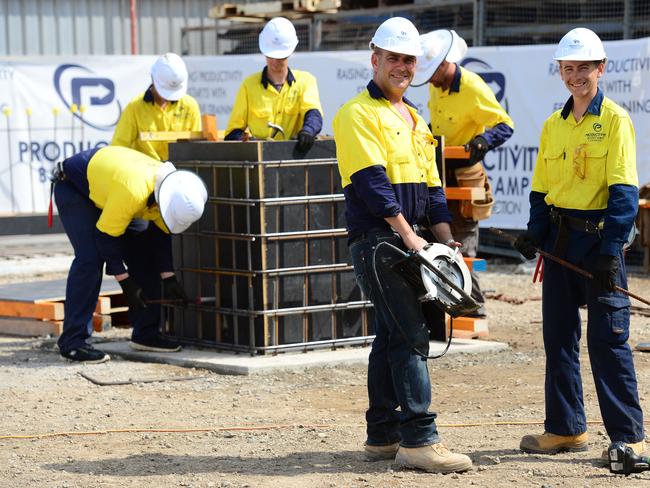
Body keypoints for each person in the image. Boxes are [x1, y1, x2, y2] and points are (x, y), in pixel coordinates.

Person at [332, 17, 472, 474]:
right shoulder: (357, 114)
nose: (402, 67)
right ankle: (418, 438)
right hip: (378, 241)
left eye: (409, 59)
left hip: (409, 241)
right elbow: (373, 184)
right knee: (411, 333)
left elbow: (433, 189)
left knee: (392, 333)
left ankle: (381, 434)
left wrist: (447, 245)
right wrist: (411, 237)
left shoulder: (415, 117)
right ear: (375, 59)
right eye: (393, 58)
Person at [513, 28, 646, 459]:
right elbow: (540, 191)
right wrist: (534, 234)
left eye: (583, 68)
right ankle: (566, 428)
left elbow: (624, 192)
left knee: (607, 340)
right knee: (559, 338)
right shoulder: (554, 125)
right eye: (568, 69)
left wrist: (611, 252)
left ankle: (629, 436)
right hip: (559, 242)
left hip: (598, 243)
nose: (575, 76)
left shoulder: (616, 121)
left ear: (600, 69)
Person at [52, 145, 207, 363]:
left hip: (111, 191)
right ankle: (73, 343)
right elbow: (105, 238)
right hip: (75, 188)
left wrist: (168, 277)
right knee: (90, 258)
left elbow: (160, 239)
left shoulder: (170, 190)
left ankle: (146, 333)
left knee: (145, 253)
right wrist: (125, 282)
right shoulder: (133, 192)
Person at [412, 29, 514, 318]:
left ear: (445, 64)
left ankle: (474, 303)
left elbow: (505, 125)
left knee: (466, 247)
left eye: (432, 72)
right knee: (439, 239)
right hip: (440, 172)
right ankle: (451, 301)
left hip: (466, 175)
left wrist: (482, 142)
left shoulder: (472, 86)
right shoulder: (436, 86)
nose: (429, 79)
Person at [225, 17, 323, 152]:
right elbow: (233, 131)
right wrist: (245, 142)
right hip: (261, 160)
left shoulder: (306, 81)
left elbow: (313, 113)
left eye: (280, 57)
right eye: (271, 56)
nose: (275, 61)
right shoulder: (249, 86)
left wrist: (308, 132)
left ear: (290, 52)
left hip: (295, 157)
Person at [112, 53, 202, 161]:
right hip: (145, 172)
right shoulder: (135, 108)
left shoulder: (190, 106)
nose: (168, 97)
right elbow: (118, 148)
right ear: (153, 80)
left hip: (180, 171)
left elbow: (197, 146)